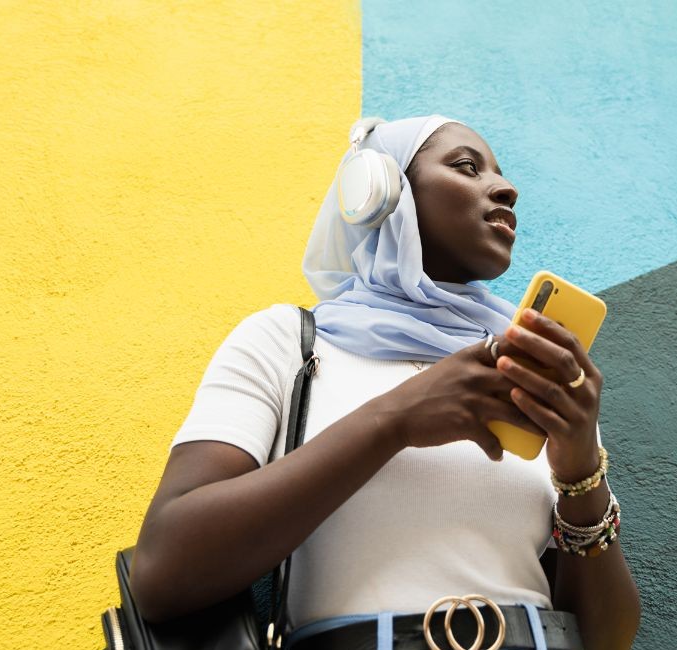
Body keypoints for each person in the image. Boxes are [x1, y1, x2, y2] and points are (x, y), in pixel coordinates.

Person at [129, 115, 641, 650]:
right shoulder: (289, 342)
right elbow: (165, 570)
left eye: (500, 173)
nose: (507, 188)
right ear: (381, 190)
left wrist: (581, 473)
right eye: (467, 167)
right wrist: (396, 420)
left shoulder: (530, 373)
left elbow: (607, 638)